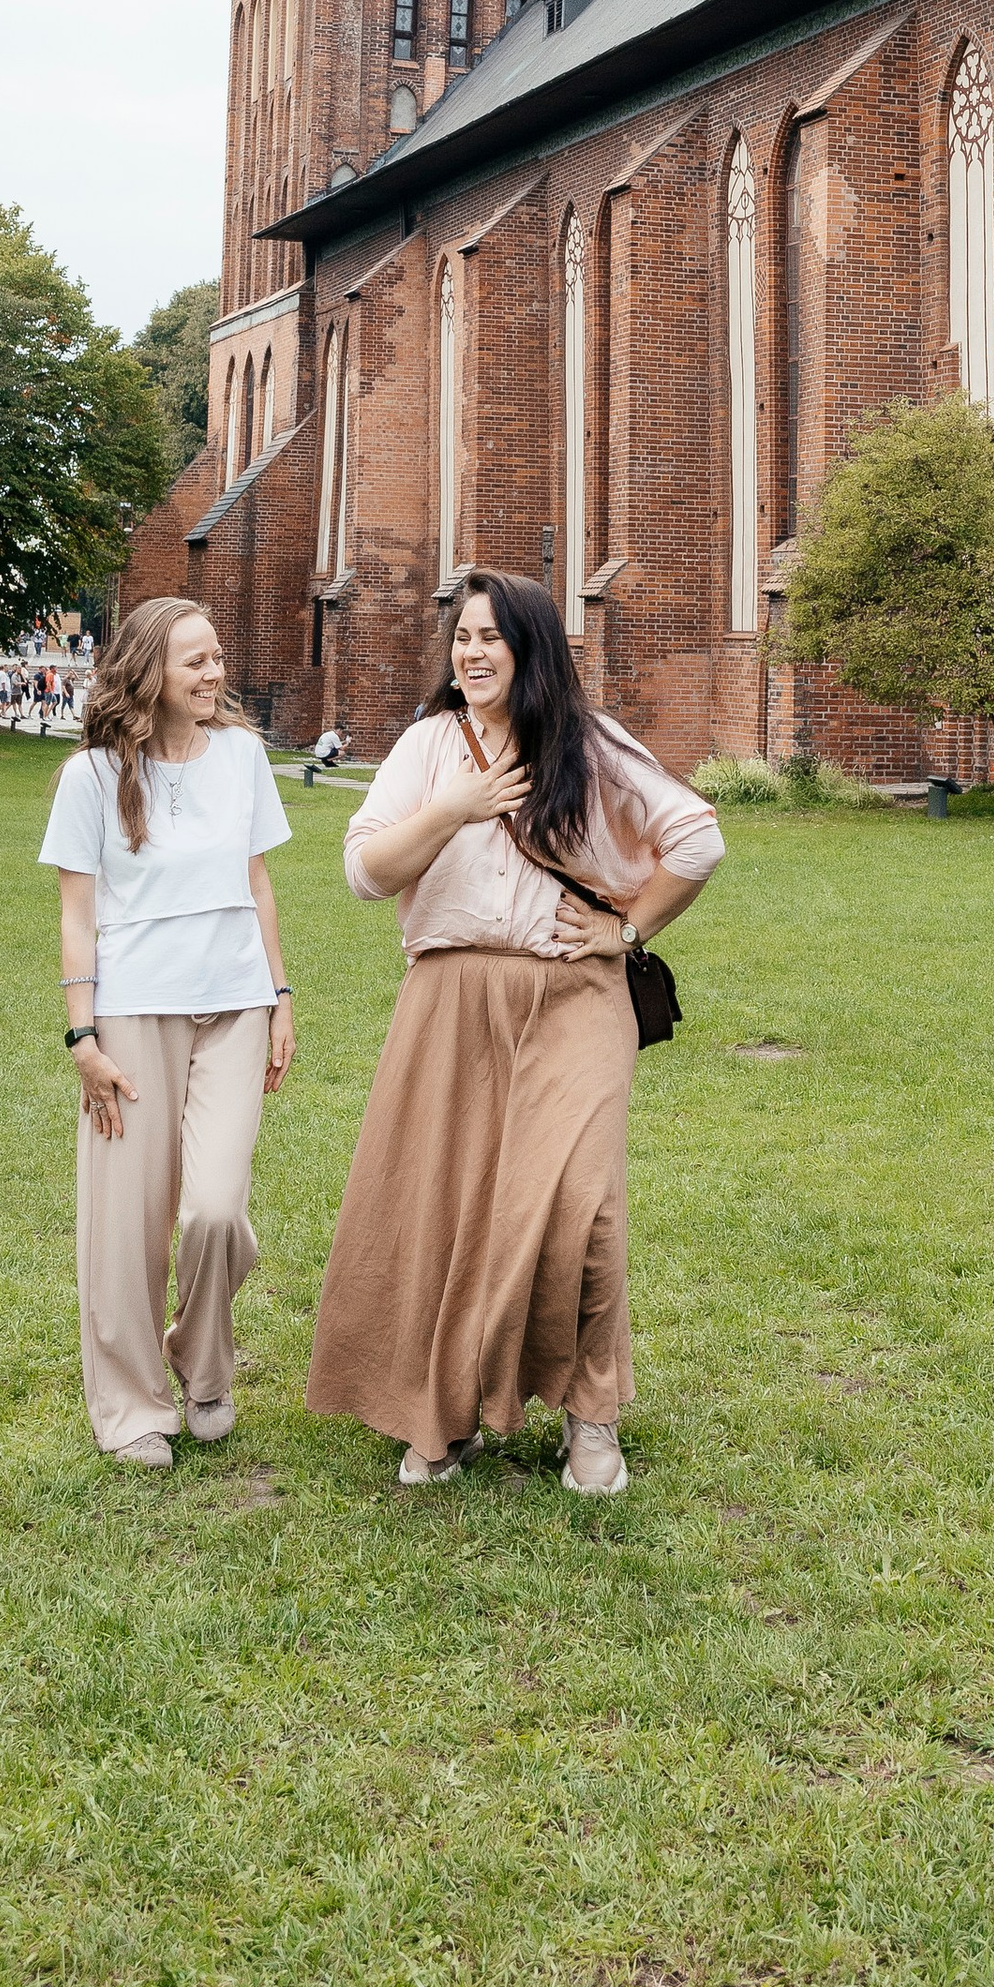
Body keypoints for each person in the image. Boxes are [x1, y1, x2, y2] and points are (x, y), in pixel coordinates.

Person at [306, 571, 723, 1497]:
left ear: (531, 649)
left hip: (574, 994)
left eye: (492, 637)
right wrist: (453, 808)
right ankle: (444, 1418)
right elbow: (366, 873)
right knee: (444, 1209)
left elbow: (696, 839)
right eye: (462, 637)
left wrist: (626, 929)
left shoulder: (588, 744)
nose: (472, 652)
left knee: (583, 1208)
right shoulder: (425, 747)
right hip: (450, 996)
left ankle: (592, 1419)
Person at [38, 598, 298, 1471]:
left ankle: (203, 1361)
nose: (214, 673)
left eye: (218, 657)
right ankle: (131, 1406)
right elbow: (78, 916)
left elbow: (257, 883)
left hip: (234, 1005)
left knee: (217, 1208)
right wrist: (82, 1037)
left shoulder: (245, 757)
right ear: (148, 669)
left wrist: (281, 995)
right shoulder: (91, 778)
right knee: (127, 1222)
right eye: (195, 661)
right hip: (132, 1011)